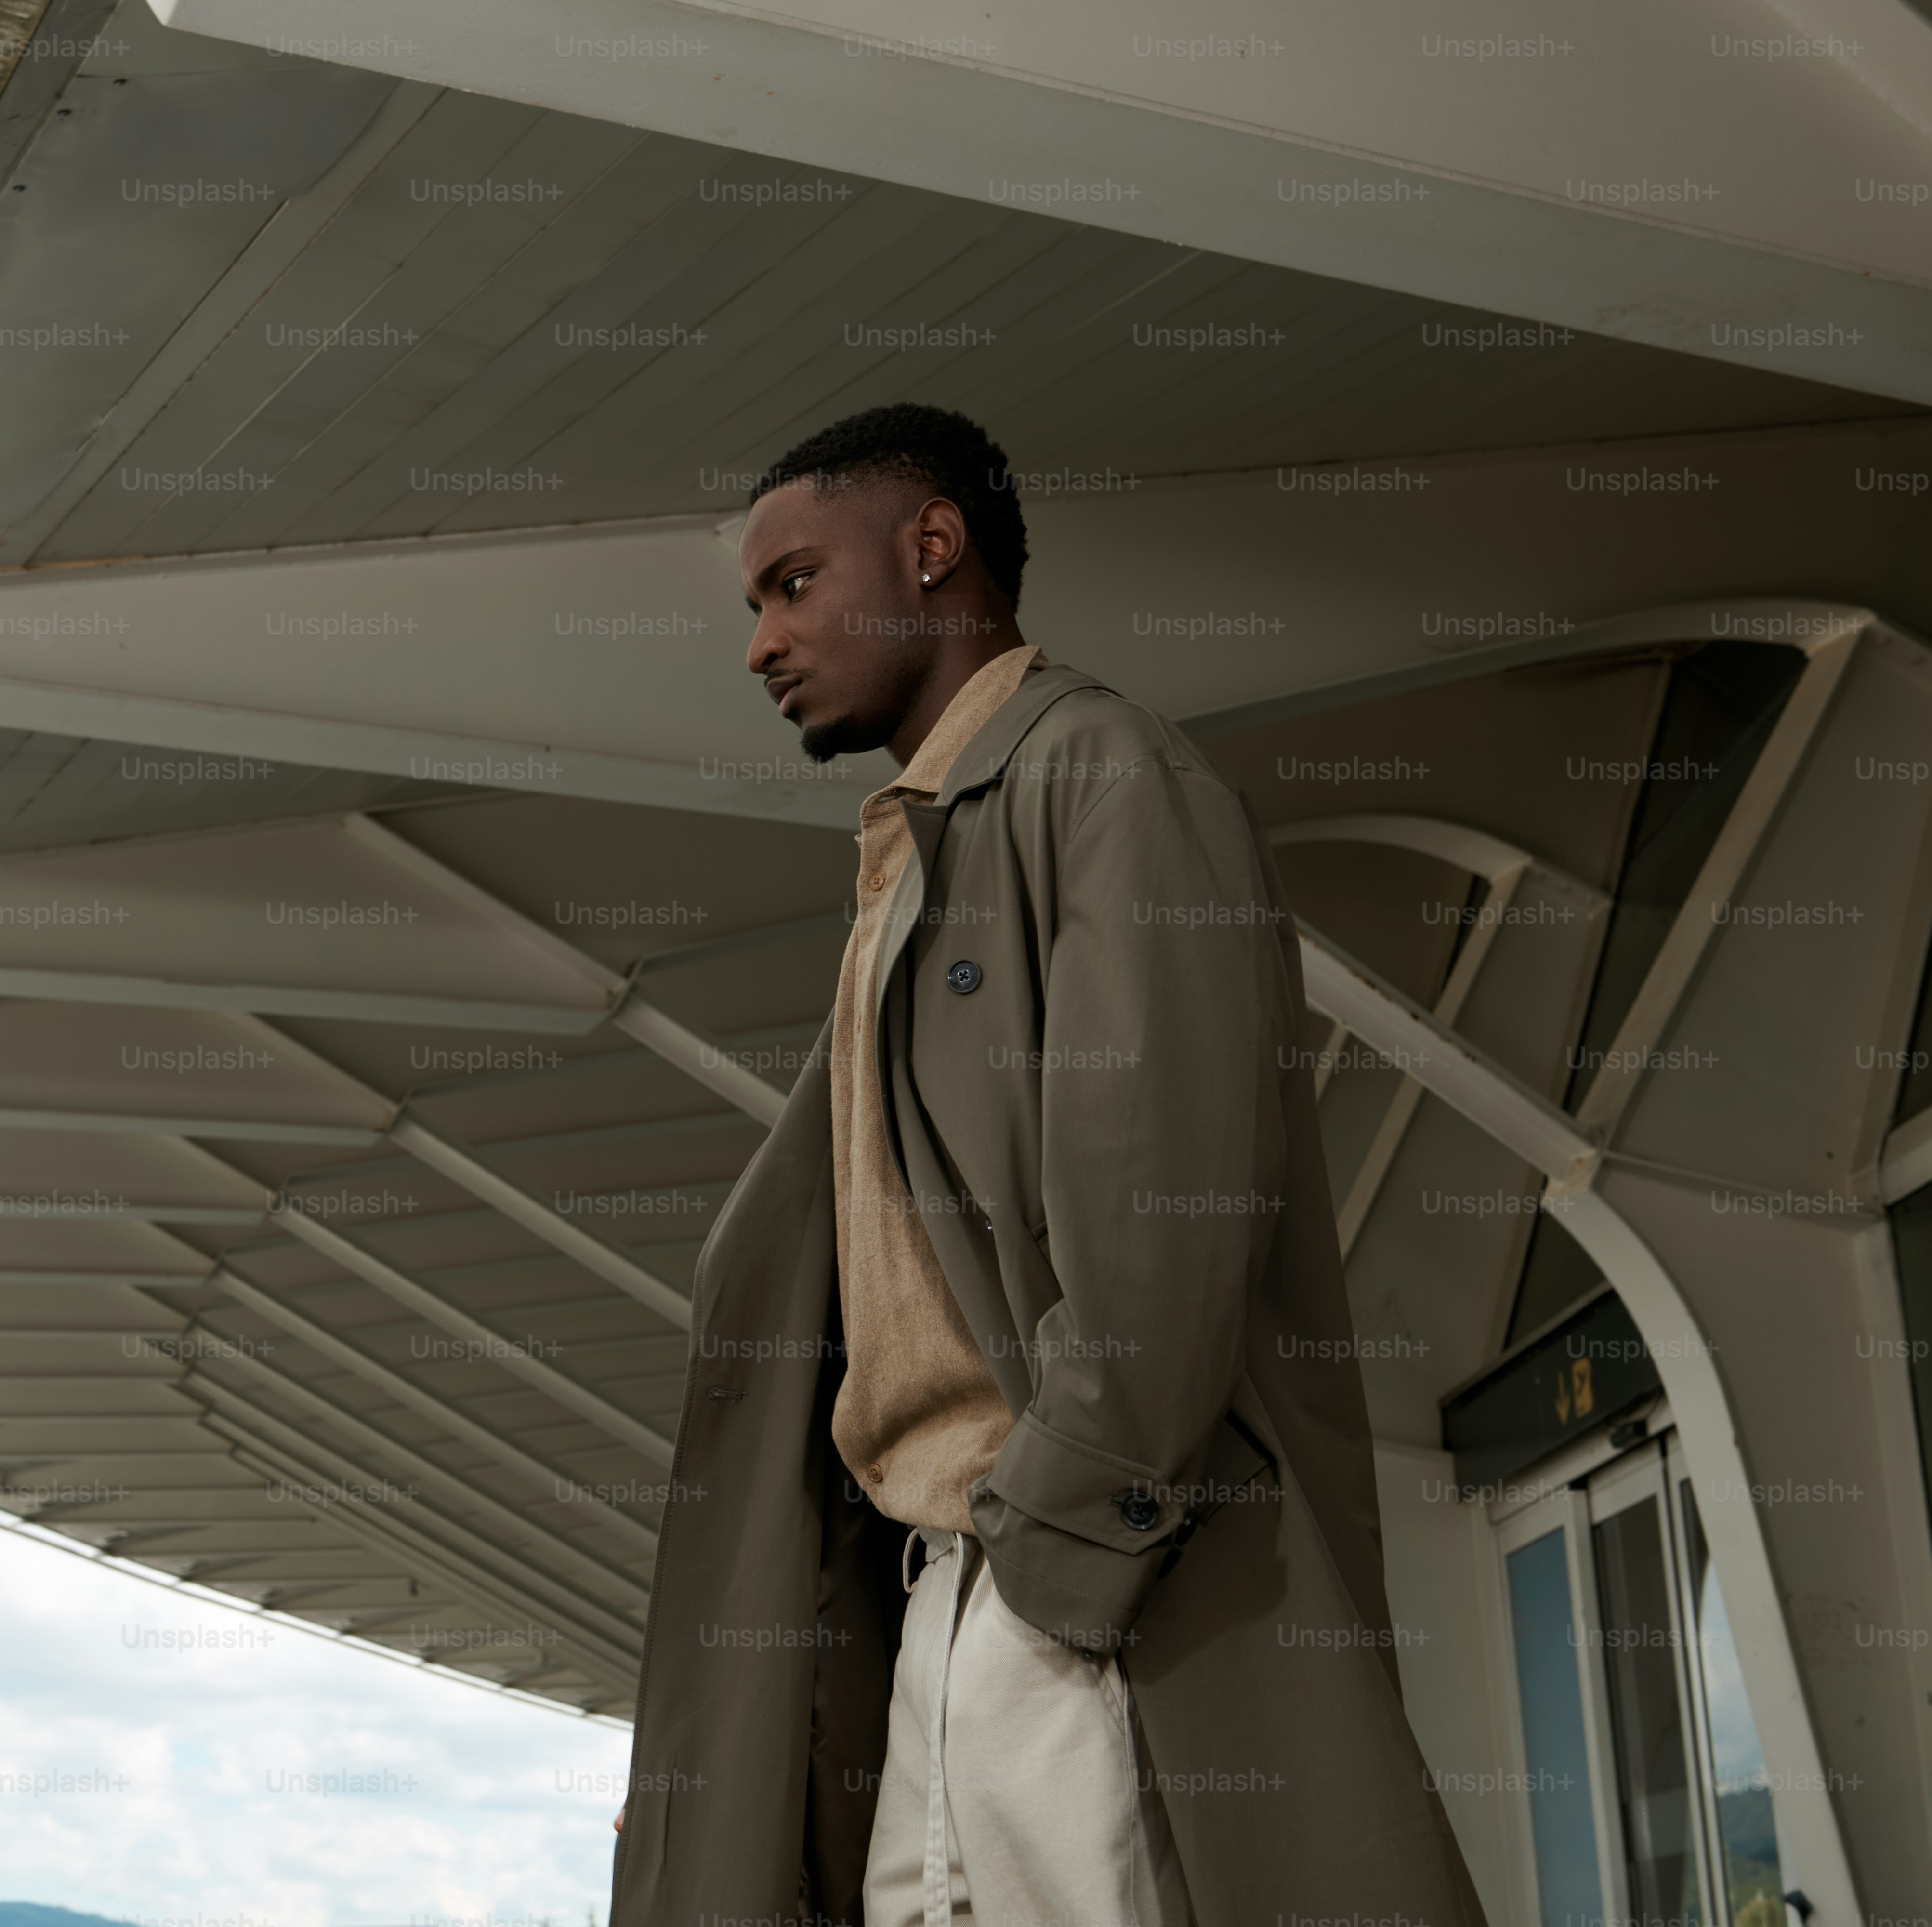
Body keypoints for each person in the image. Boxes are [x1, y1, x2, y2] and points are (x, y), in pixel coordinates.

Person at [606, 405, 1487, 1927]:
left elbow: (1163, 1224)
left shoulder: (1105, 777)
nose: (760, 643)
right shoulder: (919, 849)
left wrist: (1050, 1570)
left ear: (932, 547)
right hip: (948, 1593)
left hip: (1072, 1590)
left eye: (792, 585)